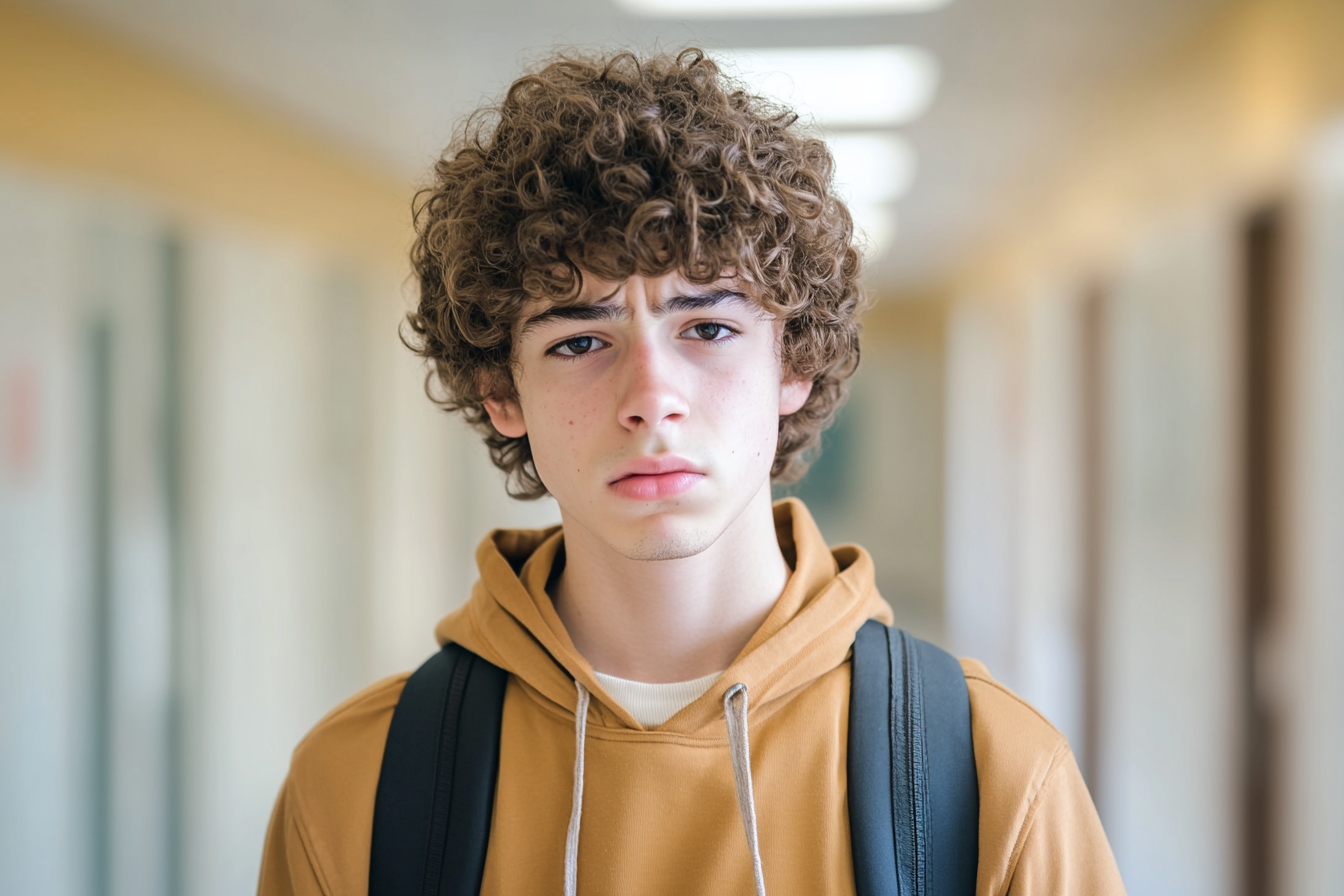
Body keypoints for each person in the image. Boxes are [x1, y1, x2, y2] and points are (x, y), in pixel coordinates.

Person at [258, 48, 1124, 895]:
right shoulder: (356, 791)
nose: (650, 399)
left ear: (795, 364)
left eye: (706, 329)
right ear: (500, 392)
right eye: (580, 341)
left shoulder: (992, 779)